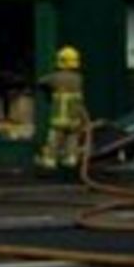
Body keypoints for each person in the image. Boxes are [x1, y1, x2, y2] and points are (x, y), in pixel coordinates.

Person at [37, 45, 89, 173]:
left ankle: (49, 163)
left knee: (54, 141)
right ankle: (70, 161)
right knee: (72, 140)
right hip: (74, 118)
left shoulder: (55, 77)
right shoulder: (78, 79)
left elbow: (40, 82)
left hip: (59, 118)